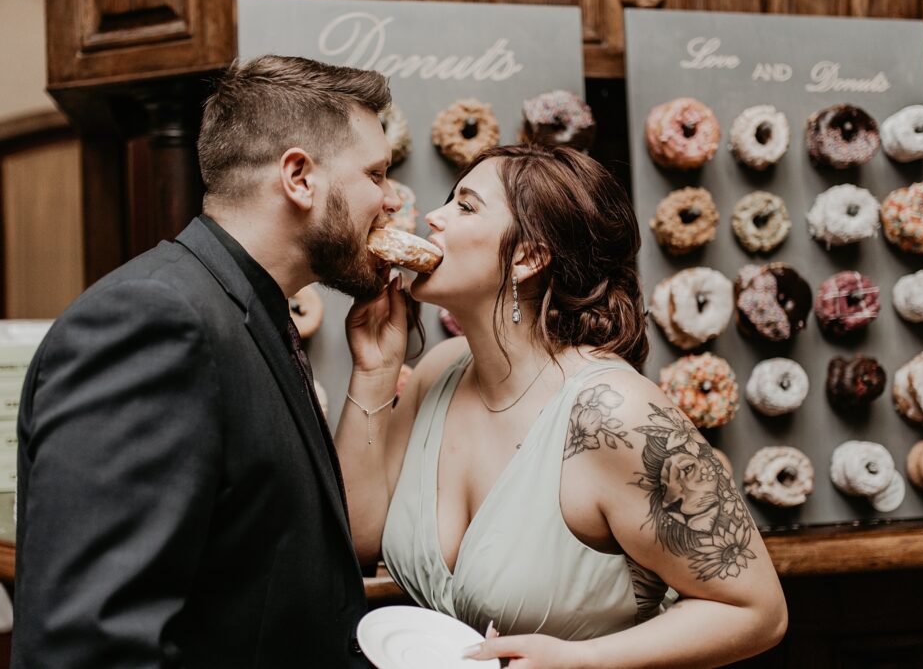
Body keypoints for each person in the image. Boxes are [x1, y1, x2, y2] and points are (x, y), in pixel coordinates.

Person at [13, 55, 407, 668]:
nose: (390, 201)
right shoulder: (154, 320)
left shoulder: (247, 309)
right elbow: (90, 643)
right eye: (377, 174)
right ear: (299, 177)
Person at [341, 143, 788, 667]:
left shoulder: (614, 414)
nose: (432, 218)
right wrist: (374, 373)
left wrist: (584, 661)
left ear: (527, 257)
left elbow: (757, 612)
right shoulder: (439, 371)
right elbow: (357, 539)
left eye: (464, 206)